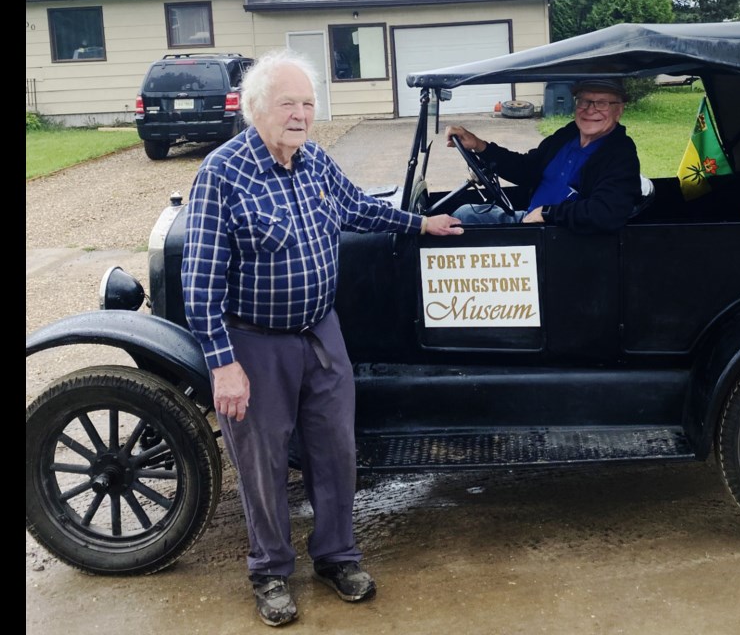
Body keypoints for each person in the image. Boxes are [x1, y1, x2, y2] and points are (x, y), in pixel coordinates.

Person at [180, 49, 463, 627]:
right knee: (260, 464)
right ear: (257, 108)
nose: (301, 114)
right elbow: (200, 280)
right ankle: (270, 571)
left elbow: (358, 206)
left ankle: (337, 557)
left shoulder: (313, 161)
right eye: (288, 102)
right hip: (256, 342)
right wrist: (223, 364)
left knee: (336, 451)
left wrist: (421, 223)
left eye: (308, 103)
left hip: (321, 333)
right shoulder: (222, 173)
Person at [446, 78, 654, 233]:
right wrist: (479, 146)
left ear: (619, 110)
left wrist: (547, 213)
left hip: (561, 240)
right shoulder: (567, 135)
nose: (590, 110)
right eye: (584, 101)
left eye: (601, 103)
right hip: (530, 223)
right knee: (463, 215)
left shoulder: (620, 153)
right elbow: (527, 168)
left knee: (459, 226)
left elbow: (606, 212)